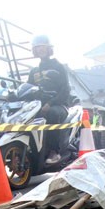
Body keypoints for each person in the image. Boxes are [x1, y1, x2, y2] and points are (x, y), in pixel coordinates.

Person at [27, 34, 72, 165]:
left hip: (59, 105)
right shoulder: (34, 71)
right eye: (37, 47)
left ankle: (54, 151)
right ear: (34, 50)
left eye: (43, 46)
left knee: (52, 113)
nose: (40, 49)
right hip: (39, 106)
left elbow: (65, 90)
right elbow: (28, 89)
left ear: (49, 48)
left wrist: (51, 103)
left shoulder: (59, 66)